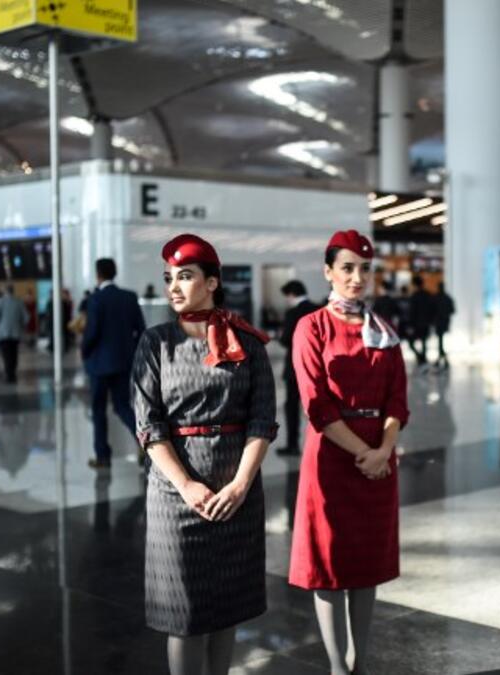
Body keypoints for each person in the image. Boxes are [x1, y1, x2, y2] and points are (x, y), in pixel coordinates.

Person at [131, 234, 276, 675]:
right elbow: (148, 426)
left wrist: (240, 483)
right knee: (186, 615)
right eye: (169, 278)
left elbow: (262, 420)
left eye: (186, 276)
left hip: (237, 492)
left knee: (226, 606)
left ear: (213, 282)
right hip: (177, 497)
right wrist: (187, 485)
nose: (174, 286)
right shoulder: (155, 343)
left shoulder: (247, 345)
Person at [289, 229, 409, 675]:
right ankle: (338, 667)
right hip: (333, 459)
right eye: (347, 268)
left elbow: (399, 399)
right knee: (330, 563)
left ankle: (362, 661)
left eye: (364, 269)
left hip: (378, 458)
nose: (356, 277)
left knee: (366, 564)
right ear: (328, 272)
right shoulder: (311, 327)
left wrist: (385, 449)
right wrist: (367, 452)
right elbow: (316, 402)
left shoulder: (384, 331)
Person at [81, 258, 146, 469]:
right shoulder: (129, 297)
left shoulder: (96, 299)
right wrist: (131, 351)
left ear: (98, 274)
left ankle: (103, 456)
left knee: (98, 409)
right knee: (123, 406)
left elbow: (92, 333)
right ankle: (145, 443)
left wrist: (85, 352)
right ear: (115, 273)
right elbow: (141, 329)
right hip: (123, 362)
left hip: (99, 365)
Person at [278, 280, 321, 456]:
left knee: (292, 407)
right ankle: (321, 442)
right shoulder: (318, 309)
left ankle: (292, 444)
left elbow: (285, 339)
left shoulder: (293, 312)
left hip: (295, 367)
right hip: (317, 366)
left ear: (291, 294)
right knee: (318, 404)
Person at [0, 285, 28, 384]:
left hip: (3, 333)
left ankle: (9, 374)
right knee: (14, 353)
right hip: (15, 333)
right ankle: (13, 373)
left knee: (6, 354)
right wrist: (21, 326)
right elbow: (26, 318)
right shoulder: (19, 302)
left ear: (4, 291)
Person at [407, 277, 434, 369]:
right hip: (426, 323)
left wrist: (410, 324)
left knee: (411, 342)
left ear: (415, 285)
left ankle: (421, 358)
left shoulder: (414, 296)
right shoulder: (428, 295)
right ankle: (422, 358)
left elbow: (412, 311)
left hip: (416, 324)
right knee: (424, 342)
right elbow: (432, 309)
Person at [432, 281, 456, 370]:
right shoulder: (447, 298)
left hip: (439, 322)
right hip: (443, 322)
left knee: (440, 341)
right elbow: (452, 310)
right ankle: (443, 359)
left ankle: (442, 359)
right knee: (440, 341)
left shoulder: (436, 298)